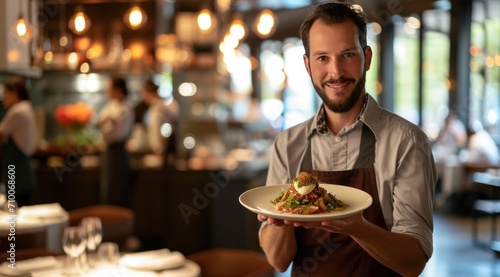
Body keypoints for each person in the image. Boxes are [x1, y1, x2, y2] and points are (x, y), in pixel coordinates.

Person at [257, 3, 437, 277]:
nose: (336, 72)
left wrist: (356, 226)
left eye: (347, 54)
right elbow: (278, 261)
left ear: (367, 57)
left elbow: (413, 262)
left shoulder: (407, 141)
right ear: (307, 65)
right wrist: (280, 221)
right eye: (322, 58)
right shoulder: (287, 144)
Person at [96, 77, 134, 206]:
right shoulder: (111, 105)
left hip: (118, 151)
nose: (108, 92)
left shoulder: (125, 107)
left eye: (110, 89)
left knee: (116, 190)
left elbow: (110, 128)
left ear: (118, 90)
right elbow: (99, 121)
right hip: (109, 150)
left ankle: (117, 223)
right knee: (108, 190)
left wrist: (106, 122)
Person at [0, 76, 37, 207]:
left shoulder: (18, 110)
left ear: (14, 93)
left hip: (15, 171)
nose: (3, 97)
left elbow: (1, 133)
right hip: (21, 170)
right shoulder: (26, 108)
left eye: (5, 94)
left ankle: (12, 229)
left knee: (13, 212)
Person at [141, 78, 179, 157]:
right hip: (163, 148)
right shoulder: (158, 107)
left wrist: (157, 147)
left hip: (162, 150)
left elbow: (155, 129)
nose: (143, 96)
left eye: (144, 93)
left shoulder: (158, 109)